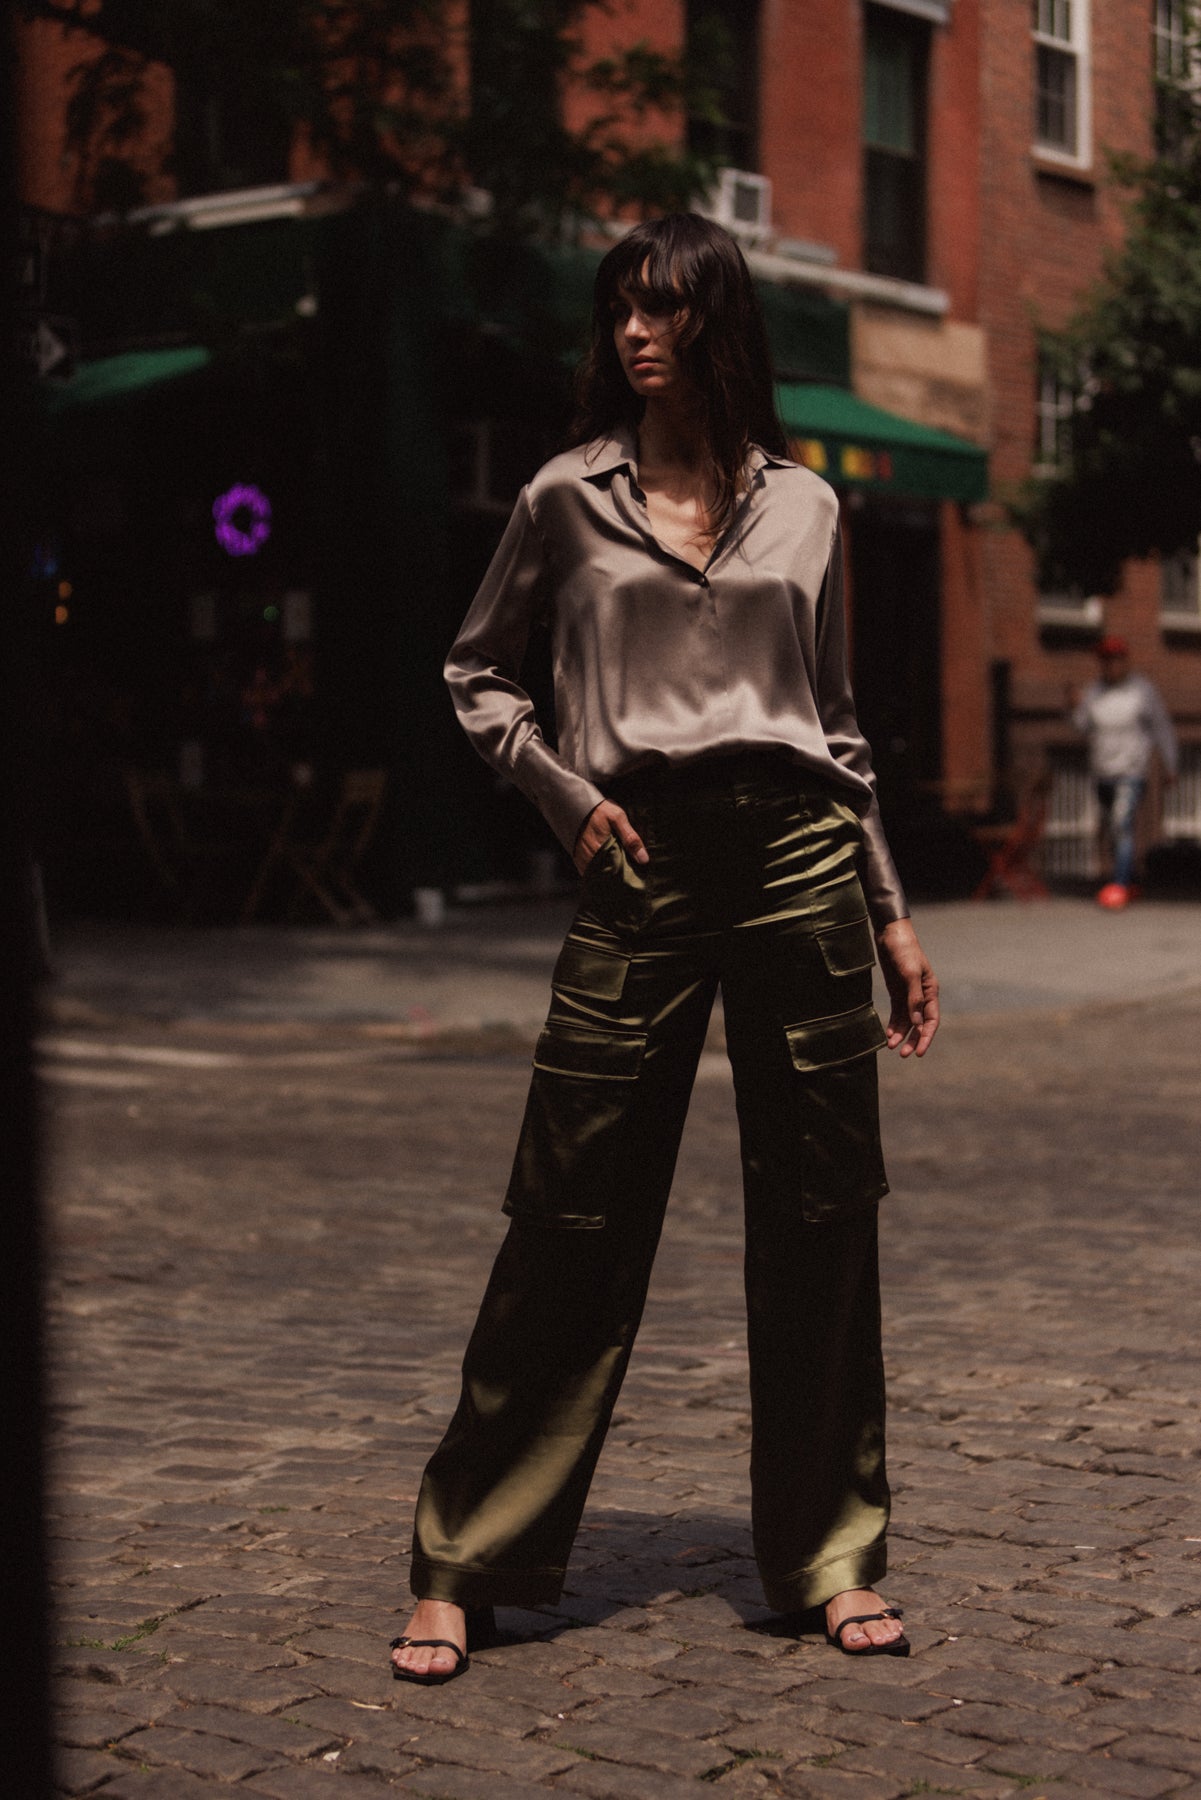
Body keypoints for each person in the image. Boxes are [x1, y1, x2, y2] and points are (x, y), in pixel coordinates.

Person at [390, 214, 939, 1685]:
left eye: (663, 310)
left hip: (799, 863)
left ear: (718, 324)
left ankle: (831, 1556)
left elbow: (836, 729)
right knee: (567, 1210)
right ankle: (464, 1559)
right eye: (620, 310)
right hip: (635, 862)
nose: (635, 333)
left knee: (823, 1215)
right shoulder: (562, 496)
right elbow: (476, 671)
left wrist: (889, 910)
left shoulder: (808, 509)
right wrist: (562, 796)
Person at [1068, 635, 1178, 910]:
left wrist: (1171, 764)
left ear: (1123, 662)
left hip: (1131, 771)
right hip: (1103, 771)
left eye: (1113, 660)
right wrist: (1073, 706)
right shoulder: (1094, 692)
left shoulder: (1142, 691)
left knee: (1121, 823)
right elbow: (1082, 726)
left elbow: (1161, 727)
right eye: (1104, 661)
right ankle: (1127, 880)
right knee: (1112, 829)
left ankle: (1118, 886)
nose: (1109, 666)